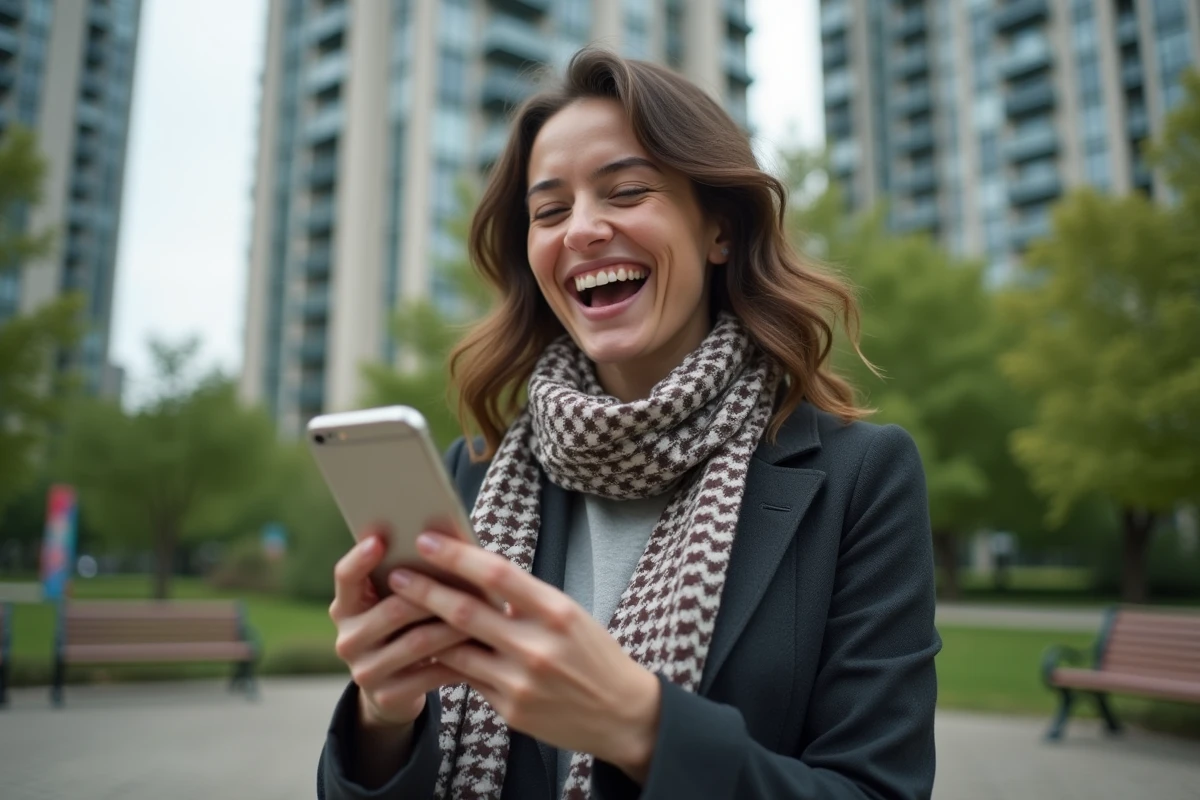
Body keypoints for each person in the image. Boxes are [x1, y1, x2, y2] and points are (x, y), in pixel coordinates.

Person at [317, 47, 940, 800]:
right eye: (549, 210)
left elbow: (878, 788)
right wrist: (384, 714)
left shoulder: (859, 478)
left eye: (627, 191)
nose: (581, 230)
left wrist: (642, 727)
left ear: (720, 232)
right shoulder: (472, 475)